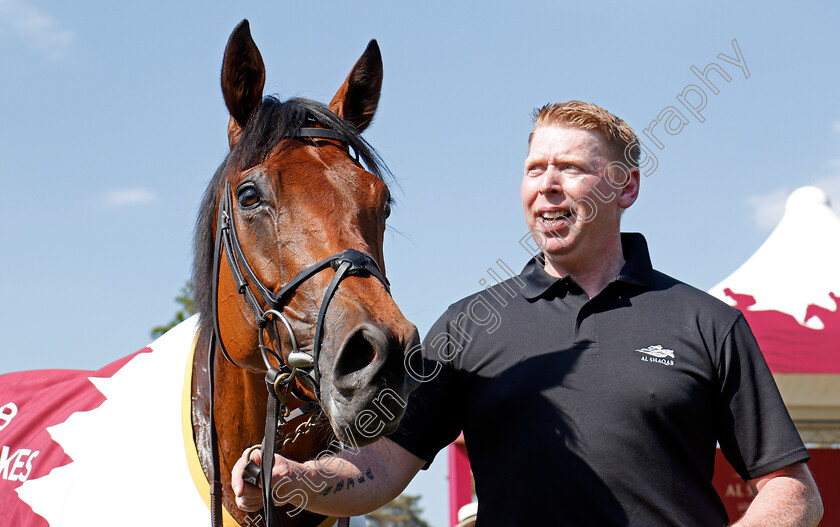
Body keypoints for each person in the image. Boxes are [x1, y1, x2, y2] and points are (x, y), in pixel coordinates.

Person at [232, 101, 823, 526]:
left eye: (570, 168)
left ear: (626, 187)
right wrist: (297, 479)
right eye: (535, 169)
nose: (548, 186)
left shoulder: (706, 323)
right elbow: (386, 463)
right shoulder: (468, 328)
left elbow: (793, 492)